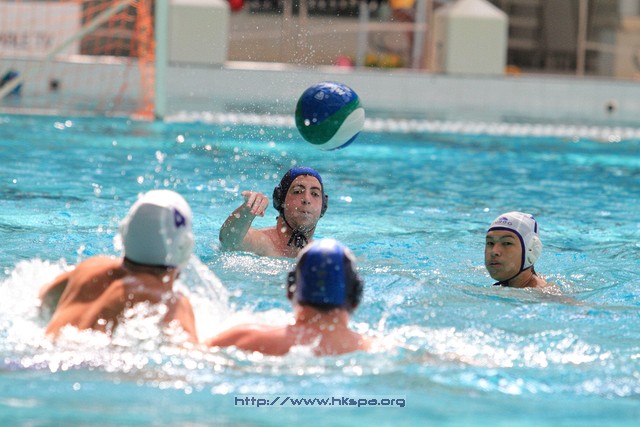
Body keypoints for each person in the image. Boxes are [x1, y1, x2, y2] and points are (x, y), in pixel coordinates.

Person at [38, 190, 198, 341]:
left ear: (124, 232)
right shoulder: (168, 301)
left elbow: (43, 300)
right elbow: (193, 354)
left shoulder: (88, 268)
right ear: (185, 246)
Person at [205, 238, 371, 356]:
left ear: (290, 291)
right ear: (356, 297)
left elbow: (194, 352)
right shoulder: (374, 348)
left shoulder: (243, 339)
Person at [219, 166, 328, 258]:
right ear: (280, 200)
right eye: (297, 191)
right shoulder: (263, 243)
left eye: (315, 194)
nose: (307, 199)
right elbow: (229, 240)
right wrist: (247, 210)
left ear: (323, 207)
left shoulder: (323, 255)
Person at [485, 211, 557, 291]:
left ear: (531, 250)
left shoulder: (545, 295)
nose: (494, 252)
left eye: (507, 243)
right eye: (490, 243)